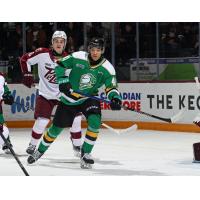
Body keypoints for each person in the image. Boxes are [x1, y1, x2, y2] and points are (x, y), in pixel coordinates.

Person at [27, 37, 122, 169]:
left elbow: (111, 87)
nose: (95, 53)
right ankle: (40, 151)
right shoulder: (78, 56)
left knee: (95, 122)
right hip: (69, 99)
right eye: (93, 49)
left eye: (98, 50)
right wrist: (62, 81)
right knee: (55, 130)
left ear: (103, 50)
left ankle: (86, 153)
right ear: (89, 49)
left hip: (89, 98)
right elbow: (60, 65)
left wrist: (115, 98)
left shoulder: (108, 68)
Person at [20, 30, 82, 156]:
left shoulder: (69, 59)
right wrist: (27, 74)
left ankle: (77, 145)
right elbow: (25, 59)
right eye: (56, 41)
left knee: (76, 119)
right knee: (42, 121)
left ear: (65, 44)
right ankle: (32, 144)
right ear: (52, 43)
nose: (58, 44)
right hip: (46, 94)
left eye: (61, 42)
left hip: (63, 95)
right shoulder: (42, 53)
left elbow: (75, 78)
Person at [0, 72, 14, 153]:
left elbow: (4, 87)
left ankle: (6, 142)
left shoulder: (1, 76)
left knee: (1, 121)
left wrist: (8, 95)